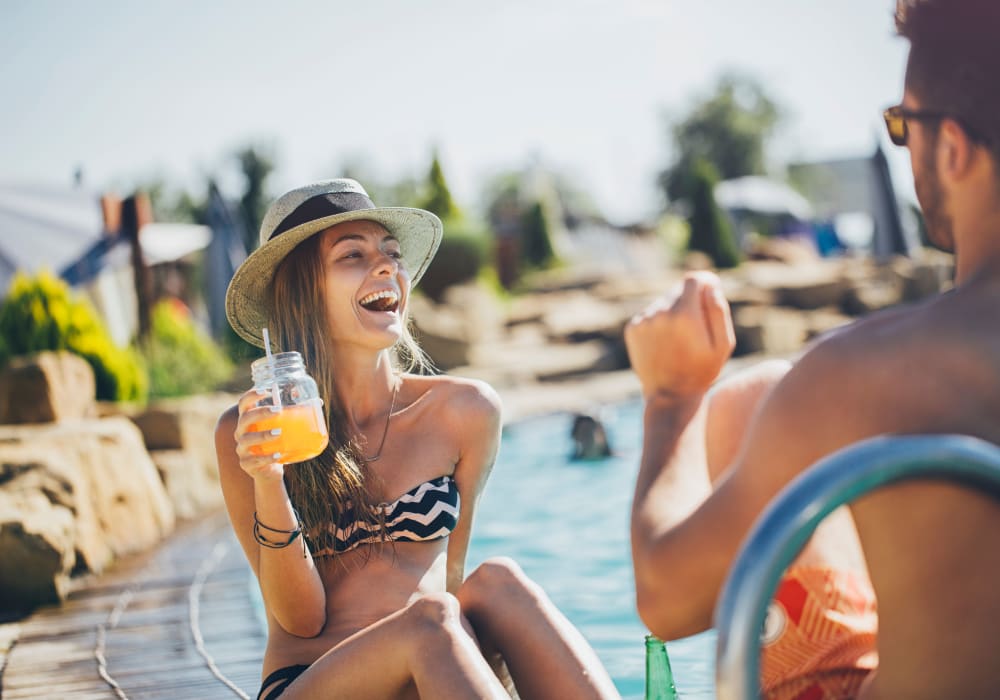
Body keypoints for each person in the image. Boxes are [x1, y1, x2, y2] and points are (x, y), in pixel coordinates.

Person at [625, 1, 1000, 698]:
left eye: (902, 125)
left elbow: (667, 596)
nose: (903, 143)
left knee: (745, 402)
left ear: (951, 146)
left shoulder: (866, 376)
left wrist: (671, 399)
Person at [216, 178, 619, 699]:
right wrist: (269, 478)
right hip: (312, 682)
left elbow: (452, 579)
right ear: (302, 291)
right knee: (430, 620)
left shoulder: (465, 412)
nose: (385, 267)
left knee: (498, 582)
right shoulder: (250, 430)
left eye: (391, 253)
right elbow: (299, 621)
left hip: (427, 665)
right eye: (352, 256)